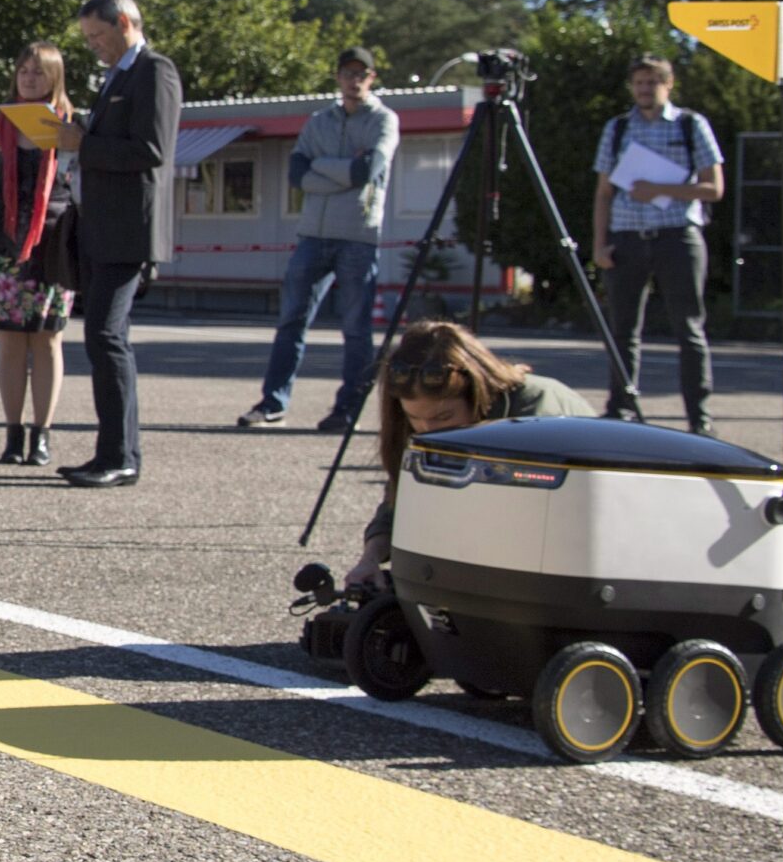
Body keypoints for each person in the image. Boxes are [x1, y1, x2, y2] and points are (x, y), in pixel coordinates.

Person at [344, 319, 594, 592]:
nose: (428, 430)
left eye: (443, 416)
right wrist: (369, 560)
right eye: (414, 417)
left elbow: (546, 527)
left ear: (478, 392)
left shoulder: (536, 413)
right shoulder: (423, 425)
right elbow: (399, 503)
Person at [240, 46, 402, 434]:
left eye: (362, 73)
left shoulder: (384, 120)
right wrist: (341, 171)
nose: (355, 80)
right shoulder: (318, 121)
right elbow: (297, 174)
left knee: (355, 328)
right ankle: (272, 403)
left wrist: (322, 168)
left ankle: (347, 410)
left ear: (372, 78)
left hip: (358, 237)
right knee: (291, 322)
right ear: (337, 77)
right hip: (312, 234)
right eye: (348, 73)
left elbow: (369, 170)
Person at [57, 0, 183, 488]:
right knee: (106, 338)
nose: (94, 47)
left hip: (129, 230)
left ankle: (119, 455)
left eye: (99, 37)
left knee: (106, 336)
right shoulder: (117, 75)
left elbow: (152, 149)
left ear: (126, 23)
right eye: (88, 39)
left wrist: (83, 143)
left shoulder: (155, 71)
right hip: (100, 227)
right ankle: (116, 451)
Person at [589, 56, 724, 432]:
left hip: (677, 235)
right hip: (627, 237)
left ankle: (700, 417)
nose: (645, 90)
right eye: (639, 83)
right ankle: (621, 408)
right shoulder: (617, 128)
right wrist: (599, 245)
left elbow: (714, 188)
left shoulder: (690, 125)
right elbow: (603, 192)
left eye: (652, 82)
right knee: (623, 329)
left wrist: (662, 190)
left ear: (668, 84)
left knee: (689, 327)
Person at [0, 42, 75, 466]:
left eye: (39, 71)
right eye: (24, 70)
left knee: (48, 340)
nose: (29, 77)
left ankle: (42, 434)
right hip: (6, 242)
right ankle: (13, 434)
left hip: (52, 242)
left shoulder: (70, 125)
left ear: (55, 77)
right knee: (11, 340)